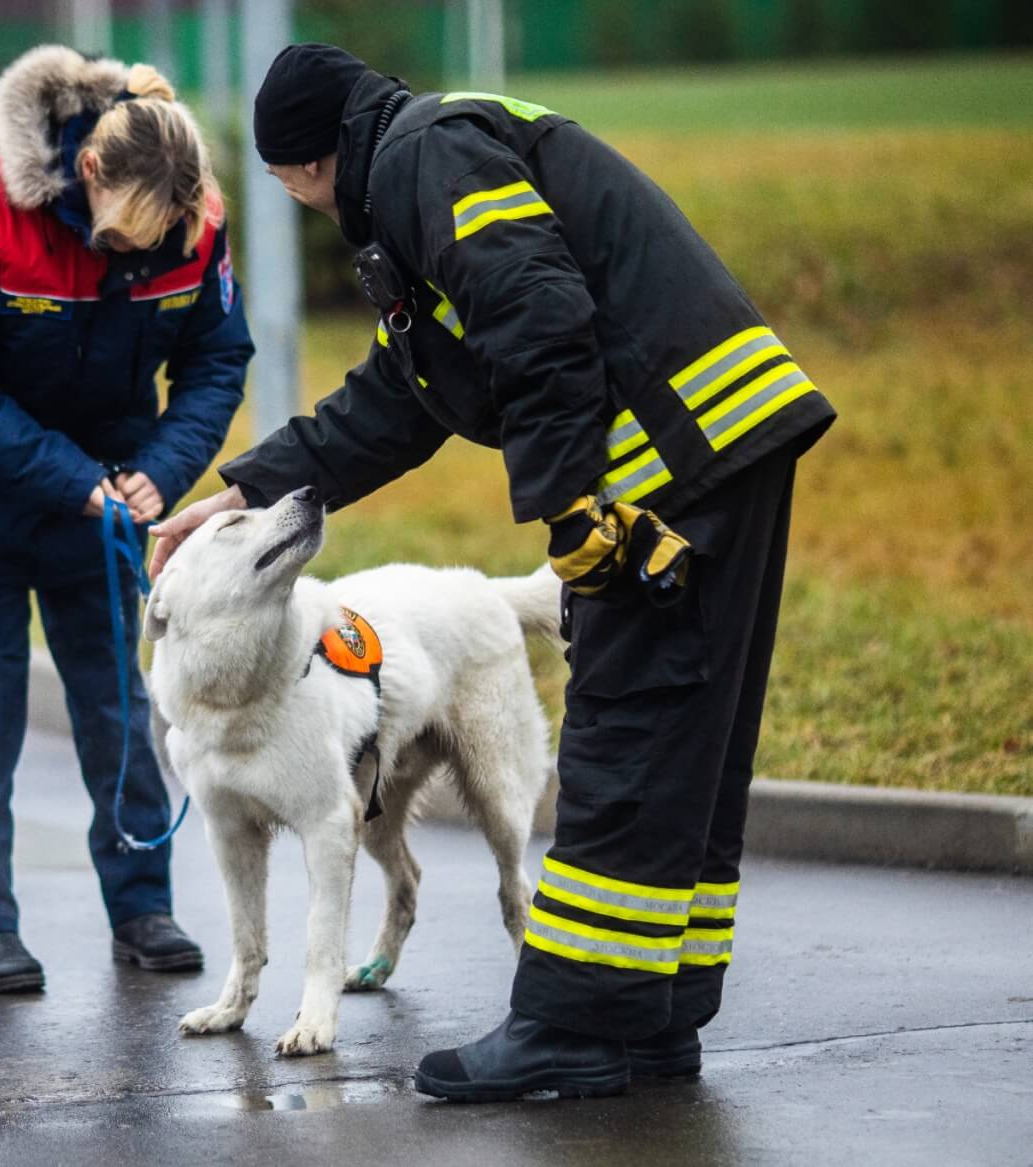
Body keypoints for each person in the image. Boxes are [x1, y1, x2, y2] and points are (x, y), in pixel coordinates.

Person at [151, 44, 834, 1100]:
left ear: (303, 167)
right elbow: (400, 398)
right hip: (710, 444)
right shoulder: (429, 165)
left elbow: (537, 316)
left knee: (628, 727)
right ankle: (649, 1020)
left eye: (288, 183)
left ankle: (575, 1027)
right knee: (682, 742)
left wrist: (566, 508)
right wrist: (245, 492)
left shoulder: (427, 161)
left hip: (667, 463)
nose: (295, 200)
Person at [0, 46, 253, 993]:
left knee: (120, 704)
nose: (144, 256)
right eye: (127, 240)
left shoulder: (193, 222)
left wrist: (161, 471)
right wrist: (73, 476)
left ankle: (143, 905)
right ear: (89, 172)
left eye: (163, 240)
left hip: (102, 503)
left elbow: (218, 362)